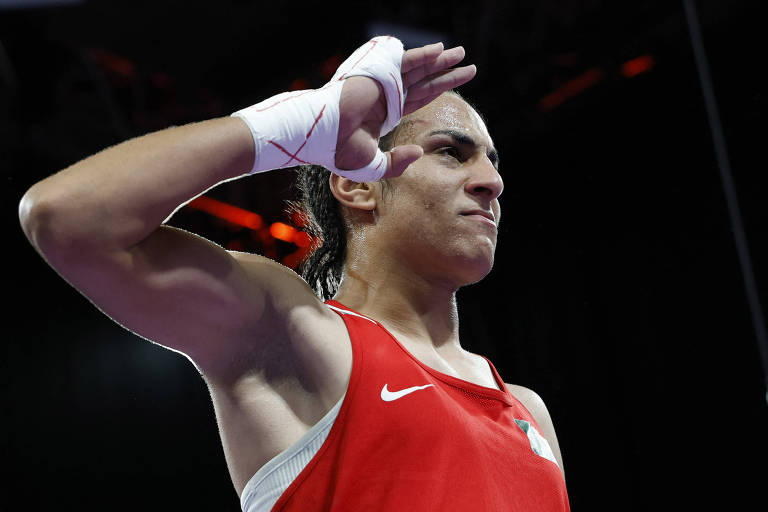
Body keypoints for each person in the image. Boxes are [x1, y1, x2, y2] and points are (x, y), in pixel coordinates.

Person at [19, 36, 569, 510]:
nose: (490, 182)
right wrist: (288, 127)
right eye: (452, 152)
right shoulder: (297, 336)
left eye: (492, 161)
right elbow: (65, 218)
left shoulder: (528, 412)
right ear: (357, 183)